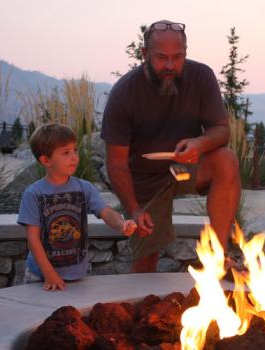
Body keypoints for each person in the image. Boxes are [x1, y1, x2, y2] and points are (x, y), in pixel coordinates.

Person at [101, 20, 241, 273]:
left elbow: (222, 130)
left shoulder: (202, 77)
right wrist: (134, 209)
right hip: (144, 180)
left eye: (178, 57)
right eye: (161, 57)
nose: (169, 65)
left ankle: (219, 258)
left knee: (226, 160)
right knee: (144, 265)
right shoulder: (124, 93)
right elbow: (116, 163)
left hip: (186, 167)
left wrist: (200, 143)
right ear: (144, 54)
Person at [18, 123, 137, 291]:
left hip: (77, 273)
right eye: (66, 153)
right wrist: (49, 273)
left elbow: (106, 211)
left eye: (75, 150)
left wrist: (121, 224)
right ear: (46, 160)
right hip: (41, 275)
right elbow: (33, 239)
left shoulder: (85, 188)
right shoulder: (33, 194)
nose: (74, 157)